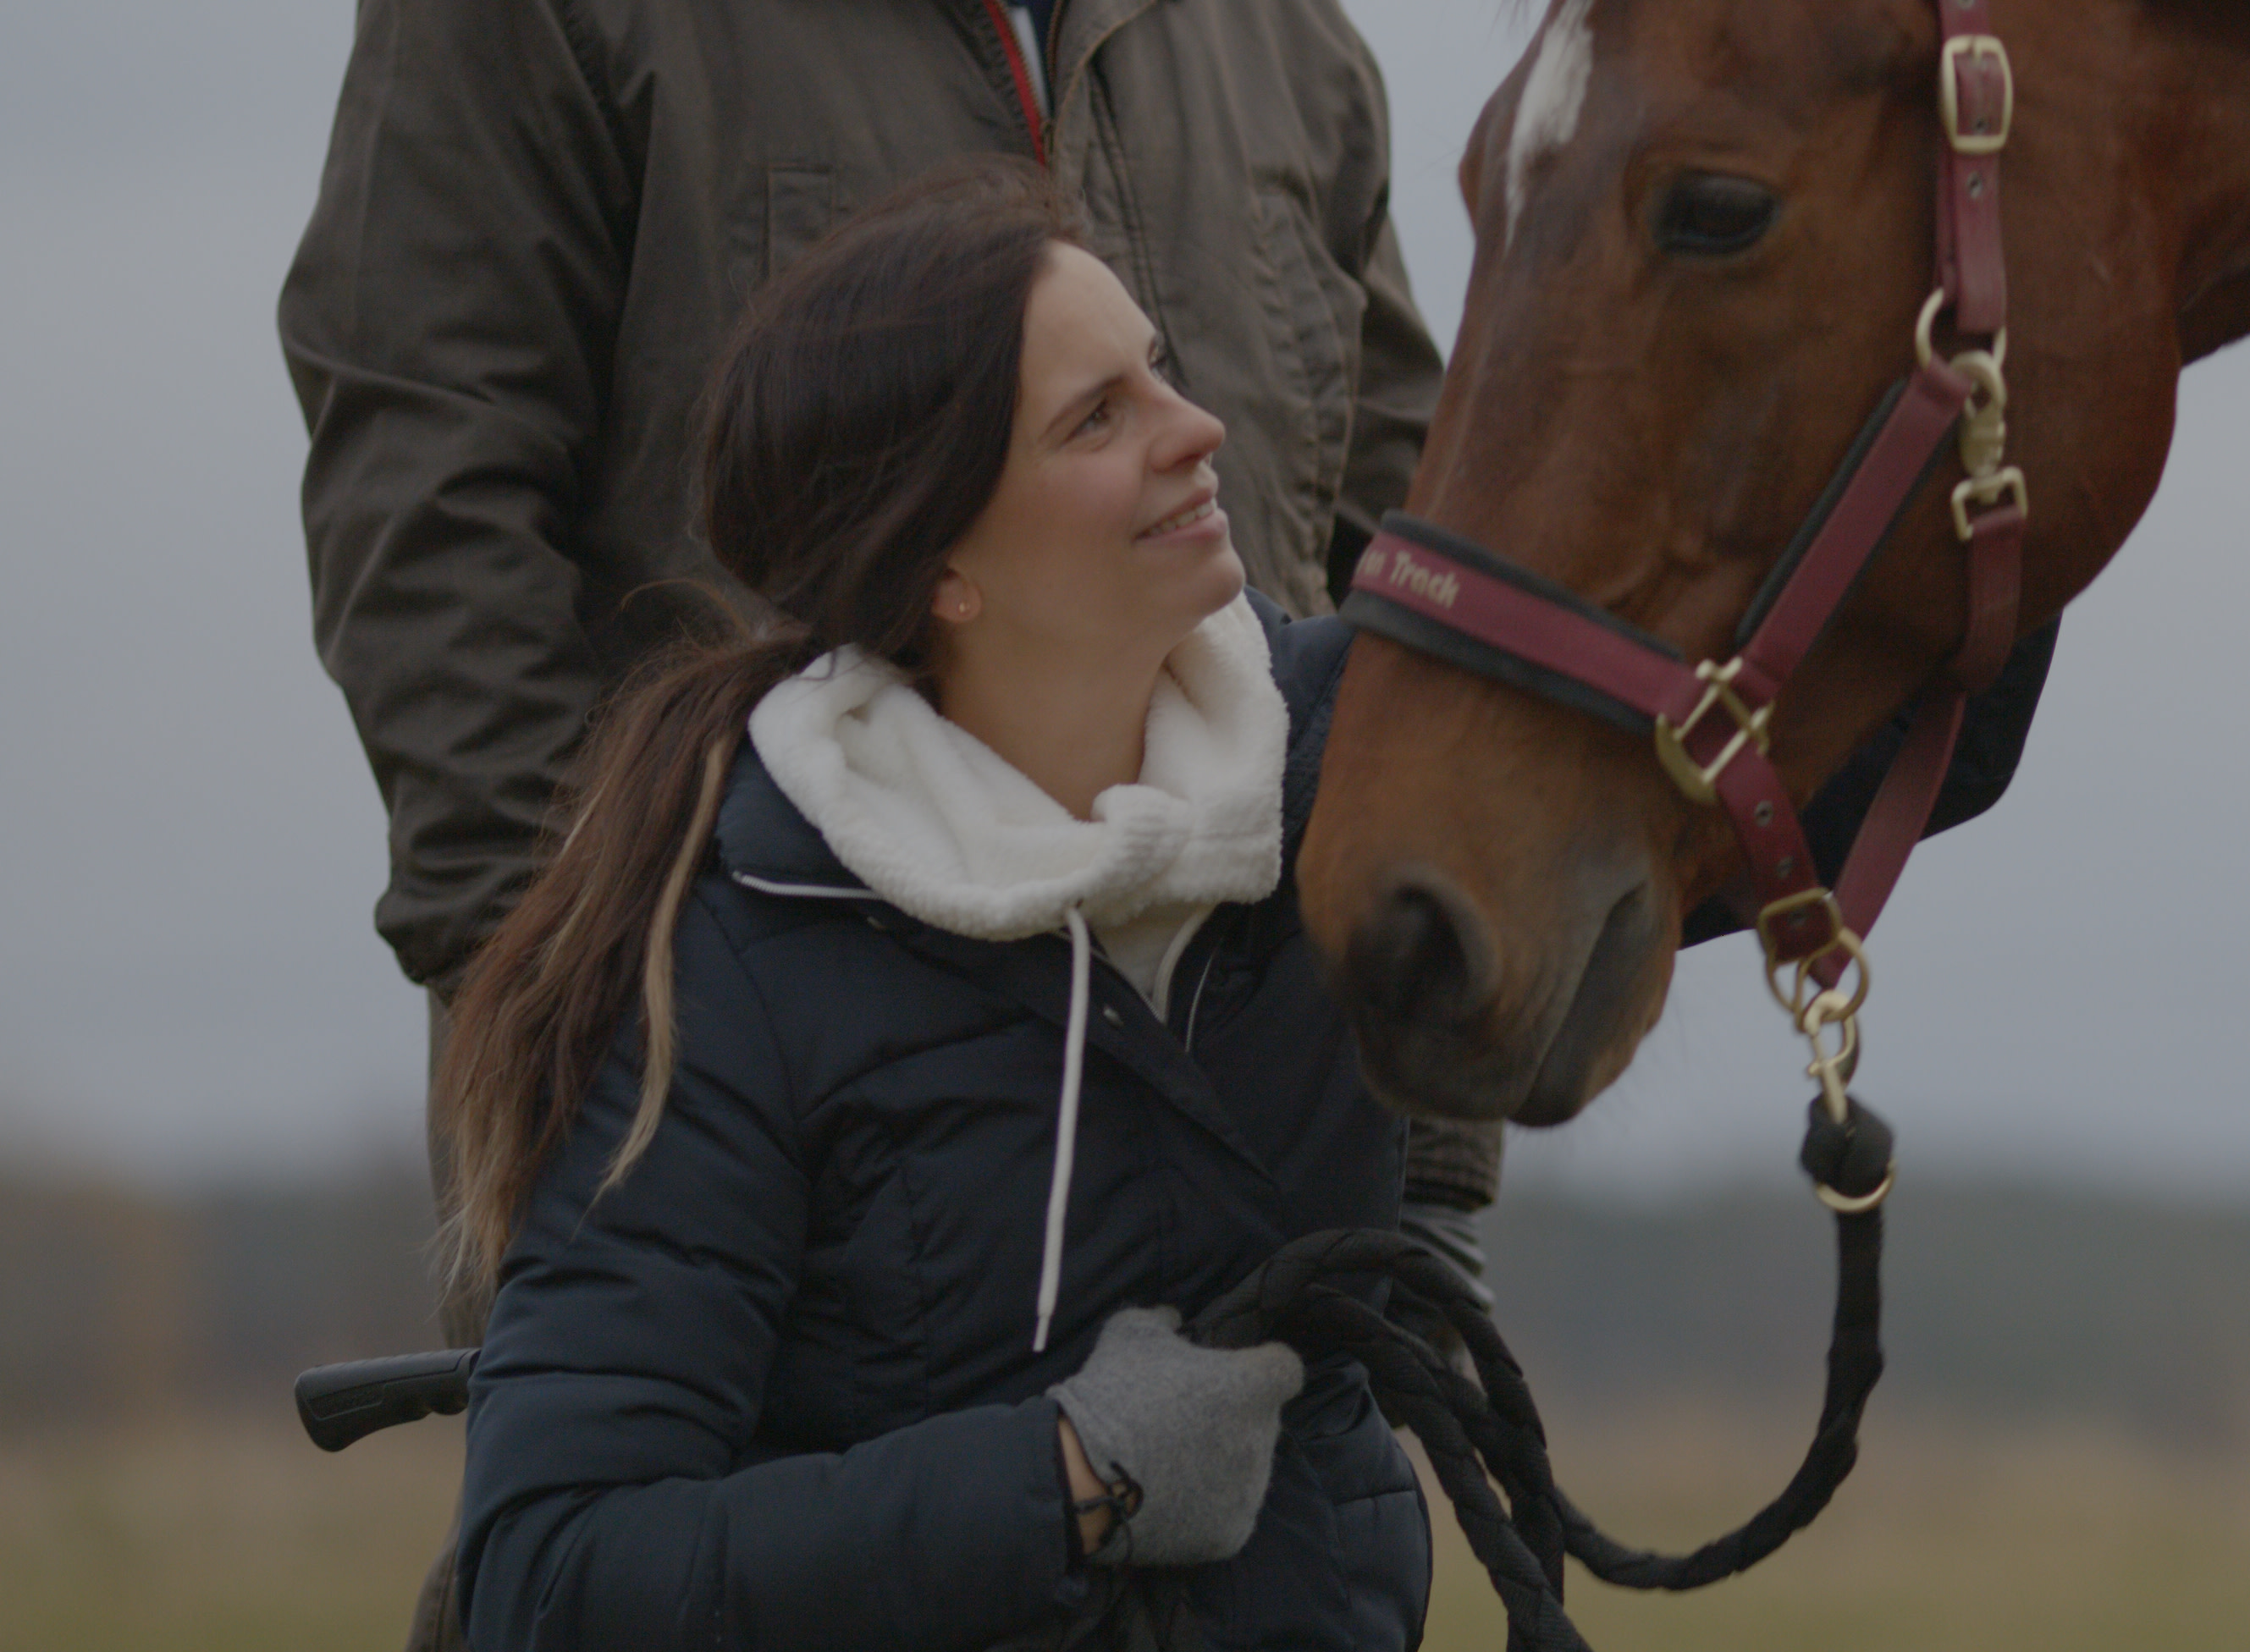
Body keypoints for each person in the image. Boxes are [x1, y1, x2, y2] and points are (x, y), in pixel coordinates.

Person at [436, 160, 2052, 1652]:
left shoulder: (1372, 753)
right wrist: (1066, 1477)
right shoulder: (728, 950)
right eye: (1098, 417)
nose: (1195, 428)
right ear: (942, 569)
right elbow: (552, 1572)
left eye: (1162, 367)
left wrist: (2000, 340)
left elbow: (1904, 736)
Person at [278, 0, 1506, 1356]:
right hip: (760, 1183)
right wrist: (609, 1065)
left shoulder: (1268, 0)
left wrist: (1433, 1144)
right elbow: (426, 525)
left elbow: (1408, 577)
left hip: (1251, 1155)